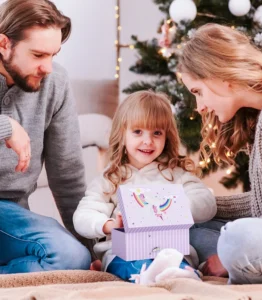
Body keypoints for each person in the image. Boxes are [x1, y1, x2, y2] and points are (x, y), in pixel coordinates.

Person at [178, 22, 262, 284]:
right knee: (195, 224)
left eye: (198, 92)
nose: (199, 107)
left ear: (218, 74)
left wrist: (226, 256)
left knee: (237, 239)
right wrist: (196, 207)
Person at [73, 90, 216, 283]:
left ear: (167, 136)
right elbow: (83, 215)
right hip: (124, 253)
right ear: (122, 134)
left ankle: (179, 277)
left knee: (178, 267)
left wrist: (177, 207)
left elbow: (207, 203)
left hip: (171, 251)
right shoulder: (111, 178)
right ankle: (149, 278)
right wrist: (109, 225)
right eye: (138, 132)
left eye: (157, 133)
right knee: (130, 263)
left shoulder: (175, 173)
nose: (148, 141)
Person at [0, 0, 91, 274]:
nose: (48, 67)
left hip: (11, 217)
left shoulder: (56, 83)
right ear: (4, 44)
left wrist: (89, 245)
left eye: (53, 55)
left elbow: (68, 176)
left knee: (72, 258)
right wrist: (6, 126)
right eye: (38, 55)